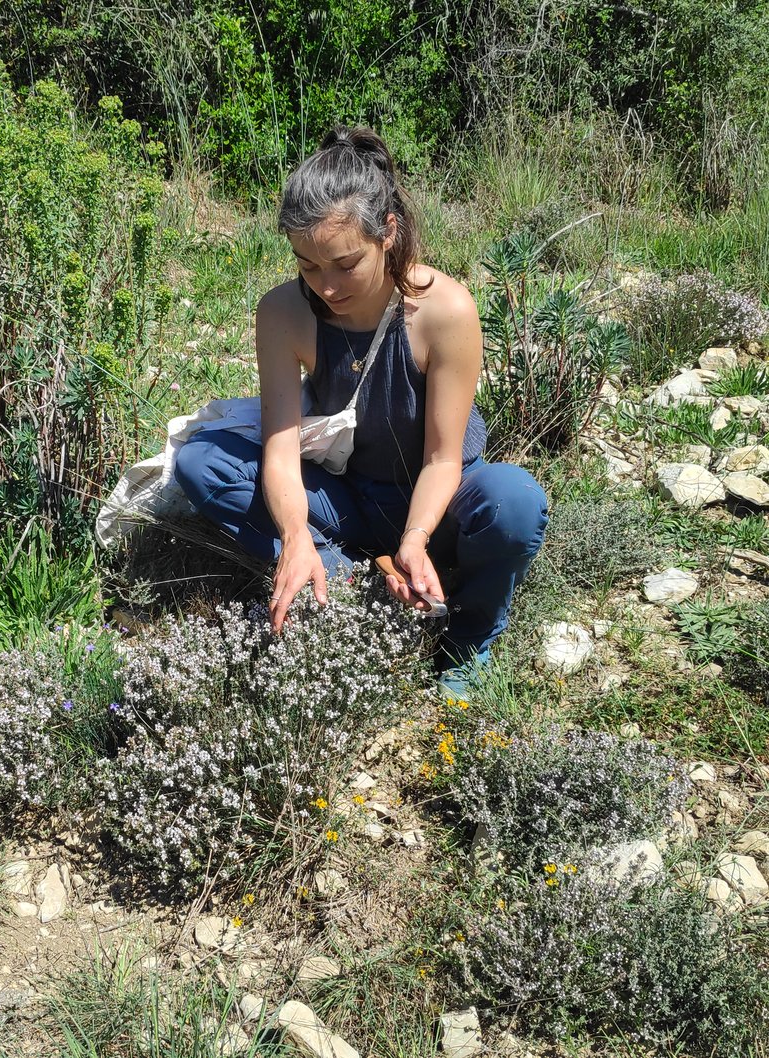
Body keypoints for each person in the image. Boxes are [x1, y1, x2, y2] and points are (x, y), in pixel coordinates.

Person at [174, 127, 547, 696]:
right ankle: (349, 583)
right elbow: (280, 447)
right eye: (306, 266)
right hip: (346, 495)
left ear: (387, 233)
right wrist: (295, 534)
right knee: (202, 462)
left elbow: (445, 459)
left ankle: (466, 639)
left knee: (515, 501)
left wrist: (416, 536)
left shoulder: (442, 310)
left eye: (344, 264)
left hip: (438, 501)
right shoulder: (281, 312)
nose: (325, 287)